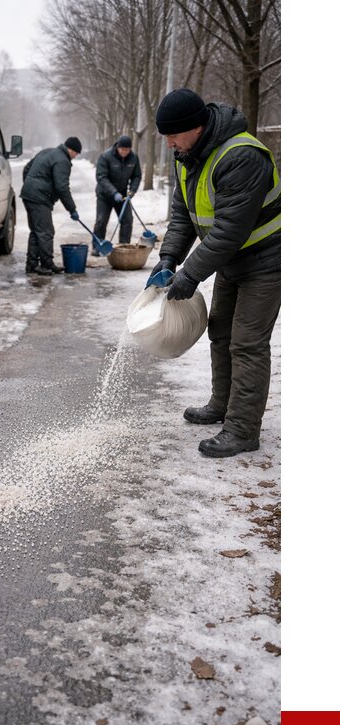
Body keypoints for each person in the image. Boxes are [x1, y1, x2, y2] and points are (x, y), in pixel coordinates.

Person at [147, 87, 280, 458]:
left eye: (174, 134)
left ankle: (242, 430)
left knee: (248, 344)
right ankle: (222, 406)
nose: (170, 143)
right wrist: (169, 259)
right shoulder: (187, 155)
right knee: (220, 333)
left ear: (198, 126)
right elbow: (183, 216)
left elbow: (229, 231)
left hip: (267, 261)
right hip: (231, 261)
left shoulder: (242, 156)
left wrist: (189, 275)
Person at [20, 137, 82, 275]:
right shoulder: (63, 161)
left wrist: (31, 186)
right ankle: (46, 265)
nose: (76, 156)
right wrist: (72, 209)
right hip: (38, 198)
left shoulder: (47, 151)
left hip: (28, 195)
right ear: (71, 149)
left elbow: (27, 169)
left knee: (36, 231)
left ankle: (32, 265)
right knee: (46, 232)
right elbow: (62, 187)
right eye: (76, 153)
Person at [92, 135, 142, 255]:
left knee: (127, 220)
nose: (124, 152)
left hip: (123, 196)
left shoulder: (134, 158)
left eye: (127, 150)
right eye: (122, 149)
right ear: (117, 147)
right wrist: (113, 192)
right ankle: (97, 246)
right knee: (101, 220)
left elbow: (137, 176)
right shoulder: (106, 156)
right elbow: (101, 177)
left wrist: (132, 190)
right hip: (105, 195)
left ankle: (123, 246)